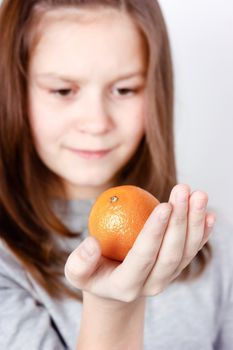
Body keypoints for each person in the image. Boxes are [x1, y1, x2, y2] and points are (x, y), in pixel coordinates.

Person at [0, 0, 232, 349]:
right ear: (14, 92)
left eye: (124, 90)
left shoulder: (206, 242)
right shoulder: (6, 259)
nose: (96, 123)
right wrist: (111, 306)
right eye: (63, 90)